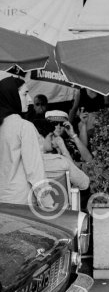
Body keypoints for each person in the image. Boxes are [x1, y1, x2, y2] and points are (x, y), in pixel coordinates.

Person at [0, 77, 52, 207]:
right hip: (20, 201)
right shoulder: (24, 127)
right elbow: (34, 169)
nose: (29, 99)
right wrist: (48, 203)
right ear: (11, 96)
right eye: (24, 94)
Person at [32, 119, 90, 190]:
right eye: (51, 136)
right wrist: (63, 149)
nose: (52, 140)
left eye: (61, 124)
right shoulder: (61, 161)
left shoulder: (27, 161)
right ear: (40, 138)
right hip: (60, 199)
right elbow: (84, 183)